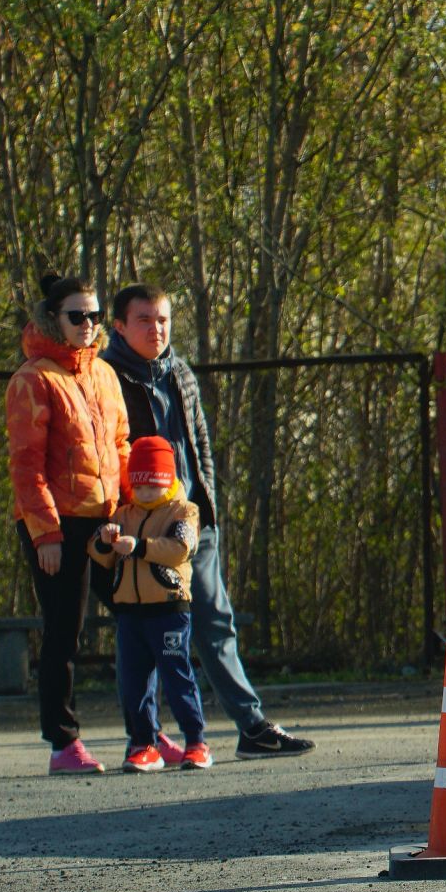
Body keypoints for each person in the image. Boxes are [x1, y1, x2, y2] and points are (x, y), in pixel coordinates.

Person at [103, 284, 314, 760]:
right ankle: (147, 738)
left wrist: (205, 509)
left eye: (162, 320)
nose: (156, 329)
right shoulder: (106, 377)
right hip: (137, 534)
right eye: (144, 320)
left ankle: (252, 726)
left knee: (215, 622)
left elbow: (200, 443)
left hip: (191, 525)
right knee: (143, 636)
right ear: (119, 326)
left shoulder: (180, 371)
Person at [7, 273, 130, 774]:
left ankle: (145, 730)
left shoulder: (103, 374)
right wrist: (47, 535)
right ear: (52, 319)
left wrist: (124, 512)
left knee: (138, 613)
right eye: (77, 316)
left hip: (105, 522)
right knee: (65, 632)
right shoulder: (33, 379)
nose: (88, 325)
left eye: (95, 316)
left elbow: (120, 444)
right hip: (58, 524)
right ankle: (63, 743)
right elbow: (25, 465)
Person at [89, 436, 211, 772]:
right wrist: (104, 542)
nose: (144, 494)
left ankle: (196, 742)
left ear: (168, 481)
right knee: (134, 682)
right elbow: (101, 559)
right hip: (130, 612)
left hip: (169, 610)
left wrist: (140, 547)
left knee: (176, 677)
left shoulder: (184, 510)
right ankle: (144, 743)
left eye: (152, 486)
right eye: (139, 487)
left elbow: (180, 549)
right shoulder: (124, 514)